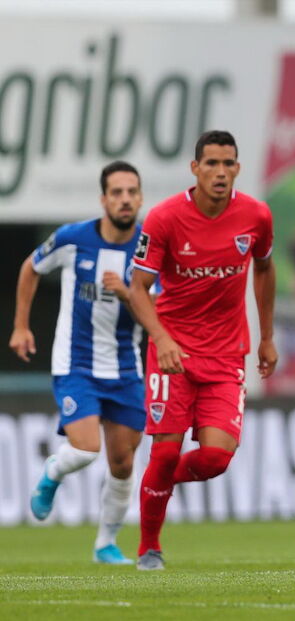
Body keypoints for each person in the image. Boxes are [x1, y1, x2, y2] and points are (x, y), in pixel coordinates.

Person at [128, 130, 277, 571]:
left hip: (227, 353)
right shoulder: (163, 218)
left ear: (237, 169)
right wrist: (161, 338)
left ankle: (155, 483)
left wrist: (267, 336)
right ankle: (148, 547)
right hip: (171, 352)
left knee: (214, 459)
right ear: (194, 169)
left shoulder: (256, 216)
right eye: (210, 163)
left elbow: (265, 270)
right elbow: (138, 290)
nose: (219, 172)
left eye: (227, 163)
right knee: (167, 450)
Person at [9, 161, 147, 564]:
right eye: (117, 192)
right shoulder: (73, 239)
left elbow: (157, 310)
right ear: (104, 199)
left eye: (131, 192)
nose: (125, 199)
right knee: (86, 450)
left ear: (140, 198)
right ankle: (54, 470)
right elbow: (30, 268)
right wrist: (21, 326)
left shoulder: (147, 248)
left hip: (125, 369)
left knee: (122, 464)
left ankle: (105, 543)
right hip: (77, 364)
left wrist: (128, 294)